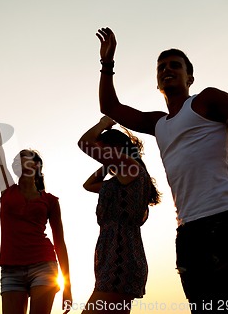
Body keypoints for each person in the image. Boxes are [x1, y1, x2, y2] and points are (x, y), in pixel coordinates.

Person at [95, 26, 228, 313]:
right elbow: (110, 106)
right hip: (189, 232)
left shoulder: (206, 101)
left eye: (175, 65)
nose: (167, 69)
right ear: (156, 83)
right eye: (161, 67)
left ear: (189, 77)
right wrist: (107, 63)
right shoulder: (158, 123)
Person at [0, 87, 72, 314]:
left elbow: (60, 242)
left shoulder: (50, 201)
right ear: (17, 166)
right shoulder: (7, 190)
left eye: (34, 160)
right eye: (25, 158)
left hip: (44, 265)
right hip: (11, 269)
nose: (30, 162)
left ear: (39, 167)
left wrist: (67, 286)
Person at [78, 116, 161, 314]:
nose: (100, 155)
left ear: (115, 148)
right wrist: (108, 164)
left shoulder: (131, 168)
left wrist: (102, 125)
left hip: (120, 256)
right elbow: (88, 185)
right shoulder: (121, 179)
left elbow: (84, 143)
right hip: (115, 254)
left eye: (103, 150)